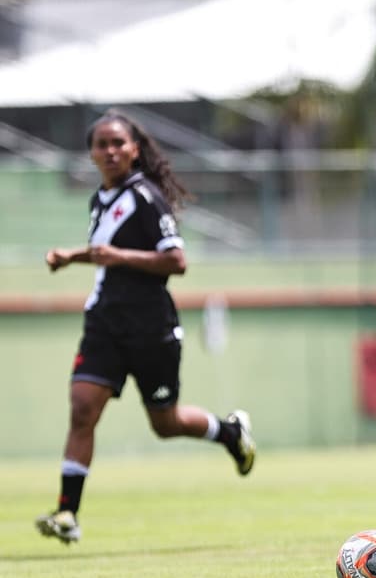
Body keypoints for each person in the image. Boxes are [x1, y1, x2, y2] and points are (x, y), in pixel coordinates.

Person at [36, 109, 256, 545]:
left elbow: (176, 260)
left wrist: (118, 258)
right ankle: (67, 513)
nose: (111, 150)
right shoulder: (99, 199)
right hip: (104, 323)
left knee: (165, 422)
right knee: (82, 408)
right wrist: (70, 257)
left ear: (135, 149)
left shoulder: (146, 196)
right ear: (92, 153)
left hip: (150, 325)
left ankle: (230, 432)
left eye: (119, 143)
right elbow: (105, 250)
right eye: (103, 144)